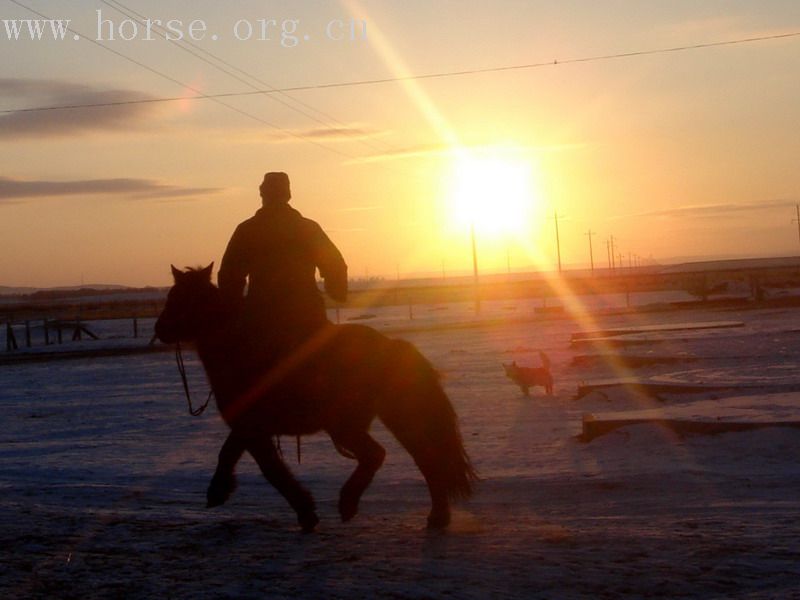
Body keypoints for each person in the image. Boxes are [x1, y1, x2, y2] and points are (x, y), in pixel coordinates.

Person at [218, 172, 347, 358]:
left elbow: (230, 274)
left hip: (262, 315)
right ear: (288, 195)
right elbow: (335, 264)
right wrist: (337, 292)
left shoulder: (247, 230)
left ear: (262, 194)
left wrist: (232, 307)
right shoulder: (308, 228)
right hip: (306, 313)